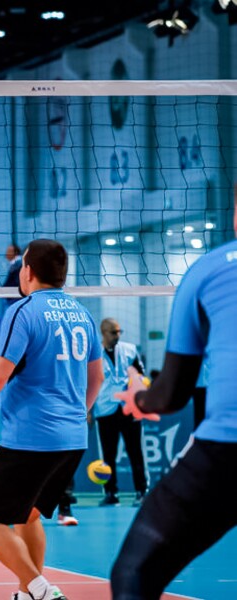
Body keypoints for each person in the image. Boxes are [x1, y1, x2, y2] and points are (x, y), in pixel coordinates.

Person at [109, 191, 237, 599]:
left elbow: (171, 395)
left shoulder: (209, 271)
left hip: (226, 454)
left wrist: (139, 400)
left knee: (133, 575)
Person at [0, 239, 104, 600]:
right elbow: (97, 378)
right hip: (72, 439)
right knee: (27, 516)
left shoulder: (23, 311)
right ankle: (28, 593)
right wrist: (76, 414)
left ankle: (42, 590)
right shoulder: (82, 314)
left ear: (28, 271)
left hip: (30, 438)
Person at [92, 317, 148, 506]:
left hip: (129, 409)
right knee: (108, 456)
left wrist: (139, 387)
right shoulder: (94, 353)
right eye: (113, 332)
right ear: (103, 333)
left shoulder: (130, 350)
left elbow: (141, 374)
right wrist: (88, 410)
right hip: (105, 409)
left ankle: (142, 491)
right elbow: (89, 383)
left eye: (119, 332)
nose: (117, 335)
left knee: (136, 452)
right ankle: (111, 494)